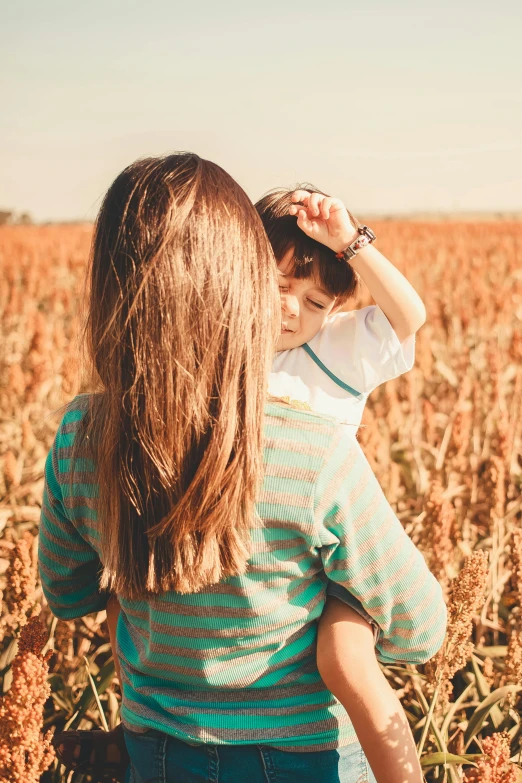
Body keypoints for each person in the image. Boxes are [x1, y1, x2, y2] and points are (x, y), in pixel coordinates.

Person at [40, 154, 446, 783]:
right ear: (242, 278)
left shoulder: (79, 437)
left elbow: (68, 593)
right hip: (303, 754)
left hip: (159, 748)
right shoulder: (312, 453)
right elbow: (420, 628)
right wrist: (344, 624)